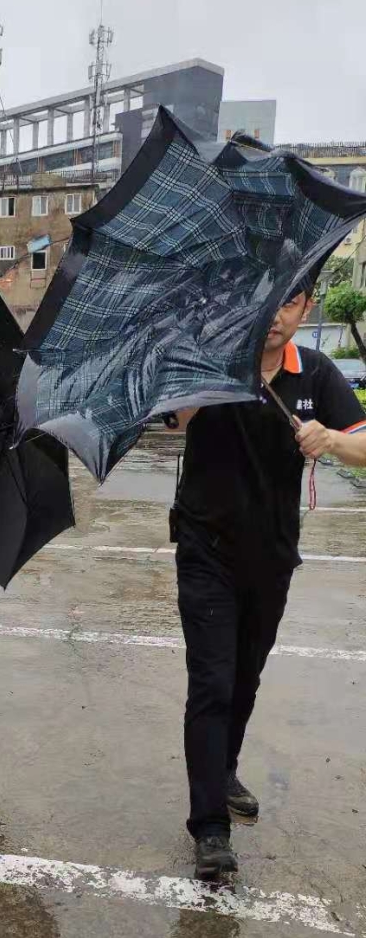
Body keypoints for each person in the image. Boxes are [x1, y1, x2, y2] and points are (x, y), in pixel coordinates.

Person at [170, 282, 366, 879]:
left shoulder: (316, 374)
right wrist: (203, 387)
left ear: (306, 309)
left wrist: (329, 439)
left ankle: (223, 769)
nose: (277, 315)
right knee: (213, 683)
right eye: (269, 301)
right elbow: (174, 419)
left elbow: (362, 442)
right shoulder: (210, 359)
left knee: (246, 678)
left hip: (273, 553)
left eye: (291, 303)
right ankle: (209, 826)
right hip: (206, 546)